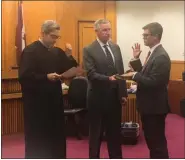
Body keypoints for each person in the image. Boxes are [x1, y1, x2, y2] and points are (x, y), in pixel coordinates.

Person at [18, 20, 78, 158]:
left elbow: (69, 68)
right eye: (53, 36)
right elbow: (24, 77)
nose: (55, 40)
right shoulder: (30, 51)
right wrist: (46, 77)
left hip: (54, 102)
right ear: (43, 34)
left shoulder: (57, 52)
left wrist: (69, 55)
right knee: (38, 140)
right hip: (36, 106)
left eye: (57, 37)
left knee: (56, 137)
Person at [125, 22, 170, 158]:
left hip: (155, 107)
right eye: (143, 35)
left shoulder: (161, 56)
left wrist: (134, 75)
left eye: (146, 35)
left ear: (156, 36)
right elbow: (146, 75)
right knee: (152, 142)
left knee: (157, 144)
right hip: (149, 106)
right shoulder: (153, 53)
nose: (143, 38)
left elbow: (155, 82)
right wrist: (136, 59)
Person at [83, 19, 127, 159]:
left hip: (114, 98)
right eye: (104, 30)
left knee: (114, 133)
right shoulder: (89, 49)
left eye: (109, 29)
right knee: (96, 134)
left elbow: (120, 71)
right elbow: (91, 74)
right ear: (96, 31)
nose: (108, 33)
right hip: (97, 98)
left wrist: (123, 93)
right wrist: (107, 79)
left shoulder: (115, 47)